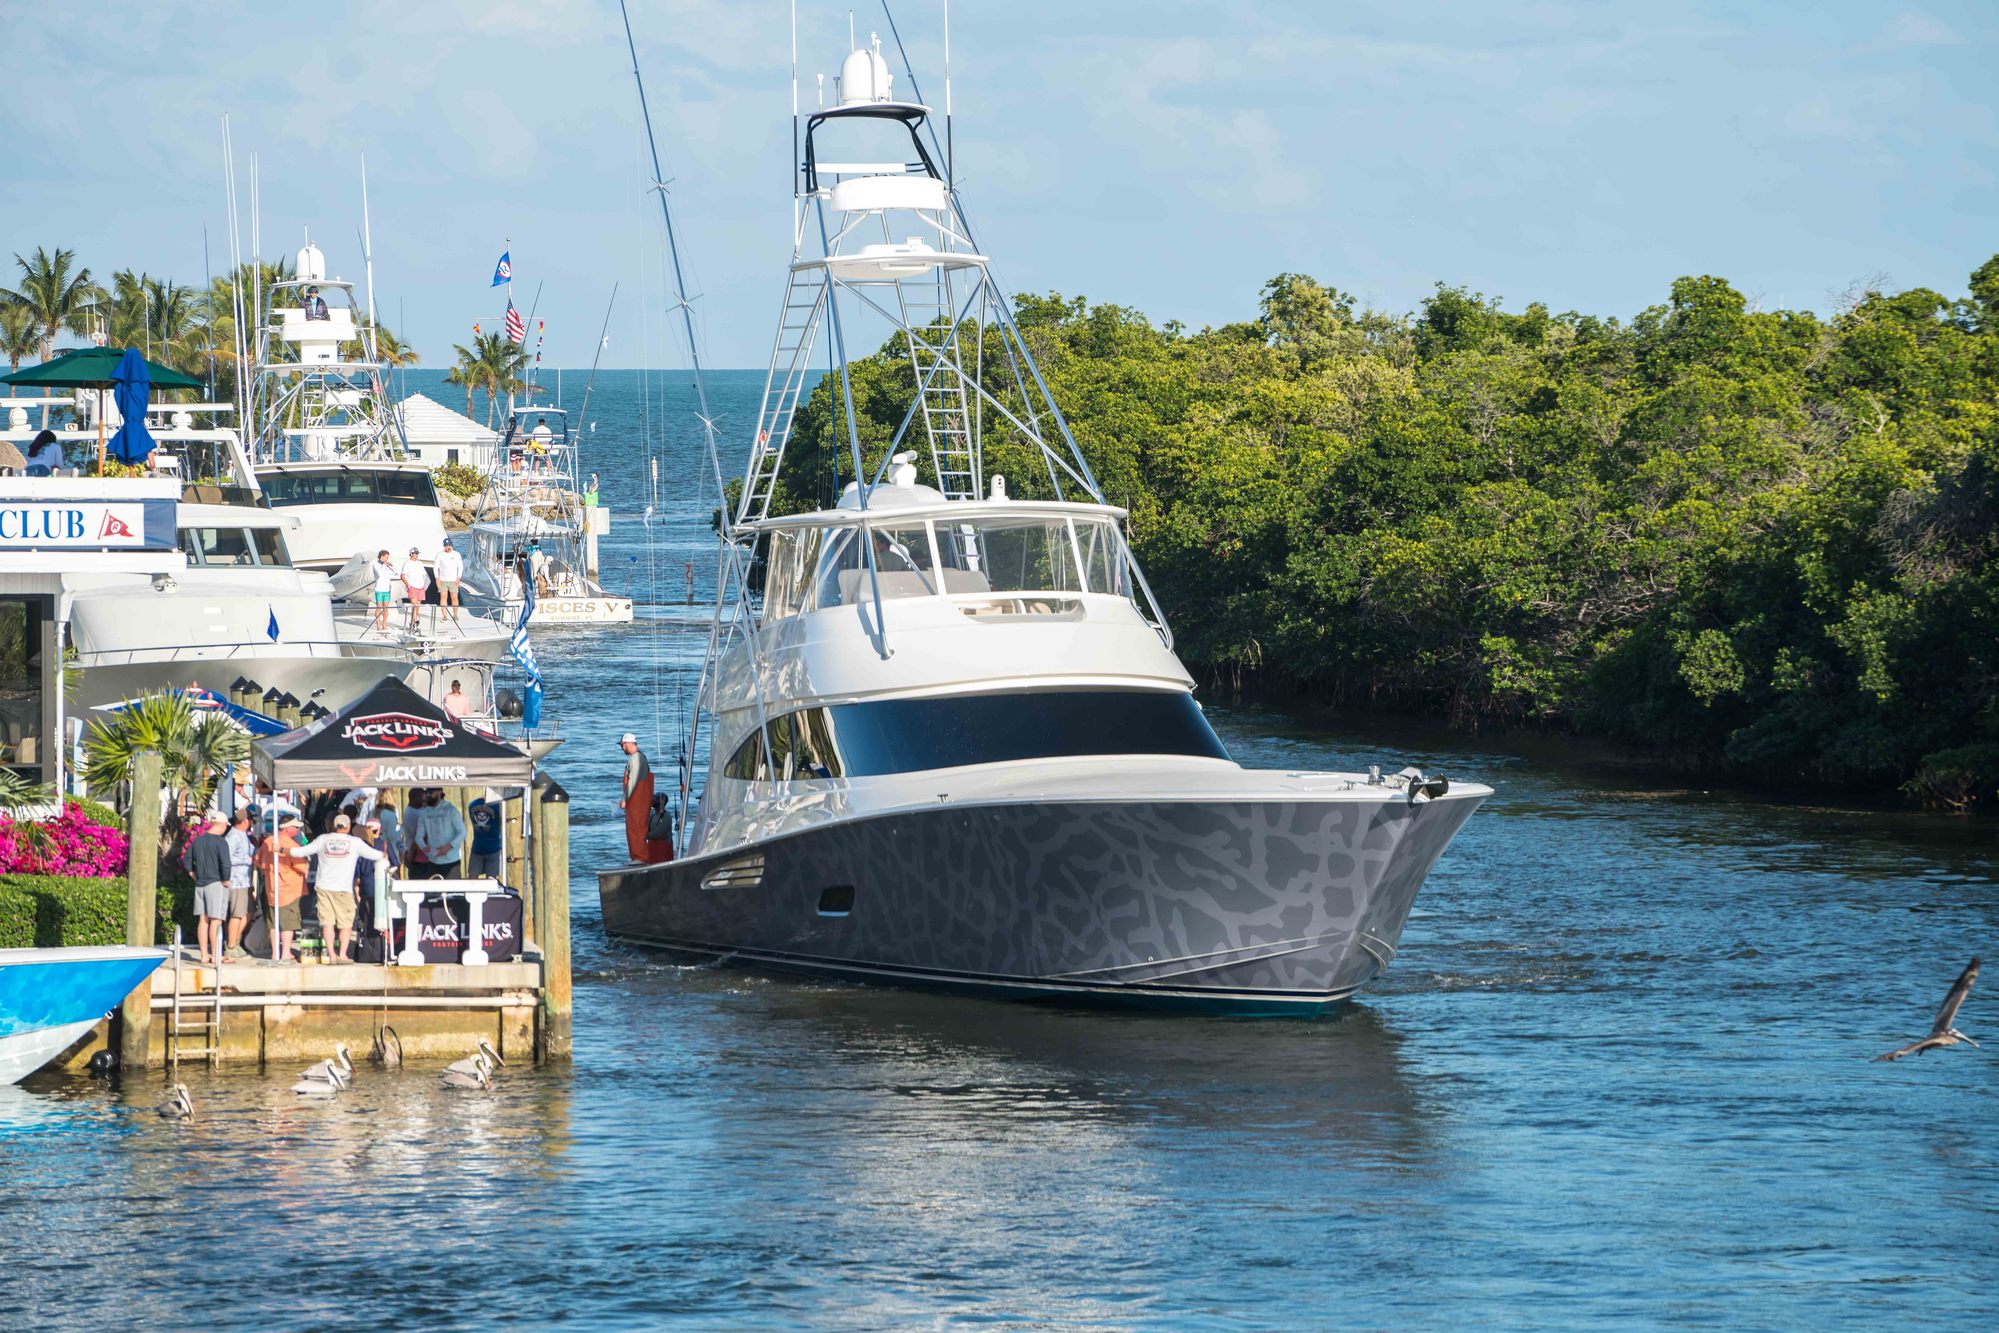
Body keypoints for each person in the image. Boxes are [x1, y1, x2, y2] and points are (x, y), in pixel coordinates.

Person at [288, 813, 384, 963]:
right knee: (345, 924)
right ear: (347, 827)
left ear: (334, 825)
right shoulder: (355, 842)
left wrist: (282, 850)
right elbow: (375, 855)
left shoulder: (323, 839)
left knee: (327, 922)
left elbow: (301, 851)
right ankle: (343, 954)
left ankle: (331, 954)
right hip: (343, 890)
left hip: (323, 888)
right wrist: (383, 851)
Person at [254, 814, 309, 961]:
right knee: (288, 923)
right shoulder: (292, 846)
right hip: (289, 890)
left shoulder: (268, 841)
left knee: (273, 923)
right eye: (295, 827)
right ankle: (285, 953)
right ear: (288, 828)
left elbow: (258, 861)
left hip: (271, 889)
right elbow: (303, 868)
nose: (298, 829)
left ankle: (275, 953)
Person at [187, 814, 234, 966]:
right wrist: (226, 880)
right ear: (220, 824)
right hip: (216, 883)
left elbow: (187, 861)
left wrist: (193, 875)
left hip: (200, 884)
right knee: (216, 920)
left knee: (203, 919)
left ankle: (204, 955)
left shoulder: (198, 841)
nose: (226, 828)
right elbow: (226, 864)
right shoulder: (221, 843)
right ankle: (215, 955)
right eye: (226, 826)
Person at [407, 788, 465, 879]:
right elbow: (418, 837)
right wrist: (424, 848)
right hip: (433, 861)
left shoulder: (451, 810)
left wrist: (449, 846)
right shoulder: (424, 813)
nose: (428, 796)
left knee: (453, 892)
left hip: (451, 861)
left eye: (431, 792)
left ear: (439, 792)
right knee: (432, 892)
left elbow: (462, 832)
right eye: (426, 793)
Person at [224, 808, 255, 960]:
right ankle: (230, 946)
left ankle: (235, 941)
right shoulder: (233, 836)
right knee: (237, 913)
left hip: (246, 881)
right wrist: (248, 860)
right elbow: (226, 858)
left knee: (249, 911)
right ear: (244, 820)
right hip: (237, 881)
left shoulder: (244, 835)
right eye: (250, 819)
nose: (252, 823)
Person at [617, 733, 653, 863]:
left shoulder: (636, 758)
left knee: (637, 828)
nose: (622, 748)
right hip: (638, 800)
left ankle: (640, 857)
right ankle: (637, 857)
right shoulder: (639, 757)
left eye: (622, 745)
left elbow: (633, 780)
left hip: (638, 801)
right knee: (635, 828)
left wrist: (625, 799)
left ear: (628, 744)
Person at [467, 788, 504, 880]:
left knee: (472, 878)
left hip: (477, 846)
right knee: (491, 879)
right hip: (494, 847)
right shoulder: (498, 806)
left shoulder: (472, 804)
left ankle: (471, 894)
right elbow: (501, 822)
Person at [434, 537, 464, 627]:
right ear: (444, 546)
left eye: (449, 545)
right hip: (443, 579)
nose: (448, 547)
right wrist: (437, 578)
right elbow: (435, 567)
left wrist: (458, 578)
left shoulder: (456, 554)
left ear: (451, 545)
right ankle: (444, 616)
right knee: (443, 597)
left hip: (453, 580)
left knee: (454, 597)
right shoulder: (440, 555)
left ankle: (455, 615)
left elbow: (460, 567)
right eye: (446, 545)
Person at [400, 546, 431, 631]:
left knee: (417, 607)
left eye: (417, 553)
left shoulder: (420, 563)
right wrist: (408, 585)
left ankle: (413, 624)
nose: (417, 555)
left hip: (420, 587)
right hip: (412, 587)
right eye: (416, 553)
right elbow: (402, 575)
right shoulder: (407, 563)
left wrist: (424, 585)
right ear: (411, 554)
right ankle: (416, 620)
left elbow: (424, 575)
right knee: (415, 605)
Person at [371, 549, 397, 633]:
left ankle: (384, 624)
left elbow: (395, 573)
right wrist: (384, 565)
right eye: (386, 557)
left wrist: (392, 566)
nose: (387, 559)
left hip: (387, 589)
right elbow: (380, 574)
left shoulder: (387, 565)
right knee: (379, 607)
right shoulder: (376, 565)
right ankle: (378, 624)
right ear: (382, 556)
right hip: (379, 589)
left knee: (386, 608)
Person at [646, 793, 675, 864]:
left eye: (656, 799)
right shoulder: (652, 815)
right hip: (653, 852)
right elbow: (646, 828)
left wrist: (644, 835)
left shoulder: (666, 816)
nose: (653, 801)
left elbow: (658, 834)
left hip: (663, 852)